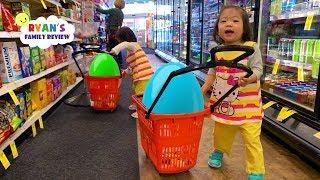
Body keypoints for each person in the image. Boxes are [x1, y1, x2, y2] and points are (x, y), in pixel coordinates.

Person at [201, 5, 265, 180]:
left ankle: (256, 170)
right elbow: (212, 72)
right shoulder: (217, 50)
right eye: (224, 21)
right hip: (223, 103)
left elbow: (258, 70)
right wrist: (203, 90)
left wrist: (250, 78)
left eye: (235, 20)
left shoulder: (251, 47)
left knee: (252, 140)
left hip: (248, 106)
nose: (229, 24)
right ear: (218, 28)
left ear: (244, 27)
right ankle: (218, 150)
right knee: (221, 132)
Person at [109, 26, 154, 118]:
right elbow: (132, 66)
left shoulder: (132, 45)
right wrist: (125, 72)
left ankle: (142, 111)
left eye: (119, 40)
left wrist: (115, 50)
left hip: (143, 75)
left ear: (124, 39)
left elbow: (125, 44)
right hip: (142, 75)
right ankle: (137, 105)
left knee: (141, 94)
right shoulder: (133, 49)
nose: (119, 43)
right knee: (136, 90)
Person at [96, 0, 125, 66]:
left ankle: (112, 62)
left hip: (112, 31)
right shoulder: (121, 13)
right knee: (117, 46)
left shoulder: (113, 10)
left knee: (111, 47)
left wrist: (96, 7)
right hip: (118, 31)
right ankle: (119, 63)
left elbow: (104, 11)